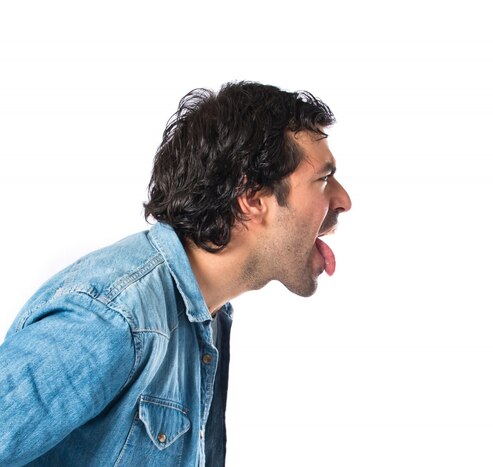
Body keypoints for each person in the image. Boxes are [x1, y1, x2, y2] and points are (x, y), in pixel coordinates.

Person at [0, 81, 351, 466]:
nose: (343, 200)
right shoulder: (116, 316)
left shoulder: (207, 317)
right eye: (323, 179)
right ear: (251, 199)